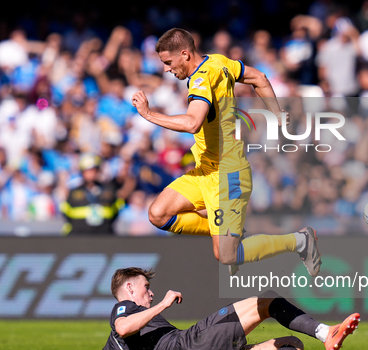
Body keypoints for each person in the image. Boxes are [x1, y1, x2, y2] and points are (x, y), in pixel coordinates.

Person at [131, 28, 321, 276]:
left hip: (228, 175)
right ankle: (228, 231)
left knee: (226, 255)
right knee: (158, 213)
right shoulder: (219, 61)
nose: (166, 69)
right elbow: (259, 77)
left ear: (185, 54)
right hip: (206, 172)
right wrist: (277, 114)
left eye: (168, 62)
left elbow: (192, 123)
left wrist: (148, 114)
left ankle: (299, 240)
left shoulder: (200, 80)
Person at [92, 268, 360, 350]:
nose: (149, 292)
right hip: (190, 346)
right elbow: (124, 326)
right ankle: (326, 333)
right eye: (146, 287)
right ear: (128, 287)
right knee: (266, 303)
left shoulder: (114, 343)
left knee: (292, 343)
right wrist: (162, 303)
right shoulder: (125, 308)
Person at [60, 153, 124, 234]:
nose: (91, 173)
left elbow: (116, 211)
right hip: (79, 238)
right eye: (87, 171)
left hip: (104, 237)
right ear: (82, 172)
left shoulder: (109, 191)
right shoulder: (73, 193)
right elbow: (66, 214)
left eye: (93, 170)